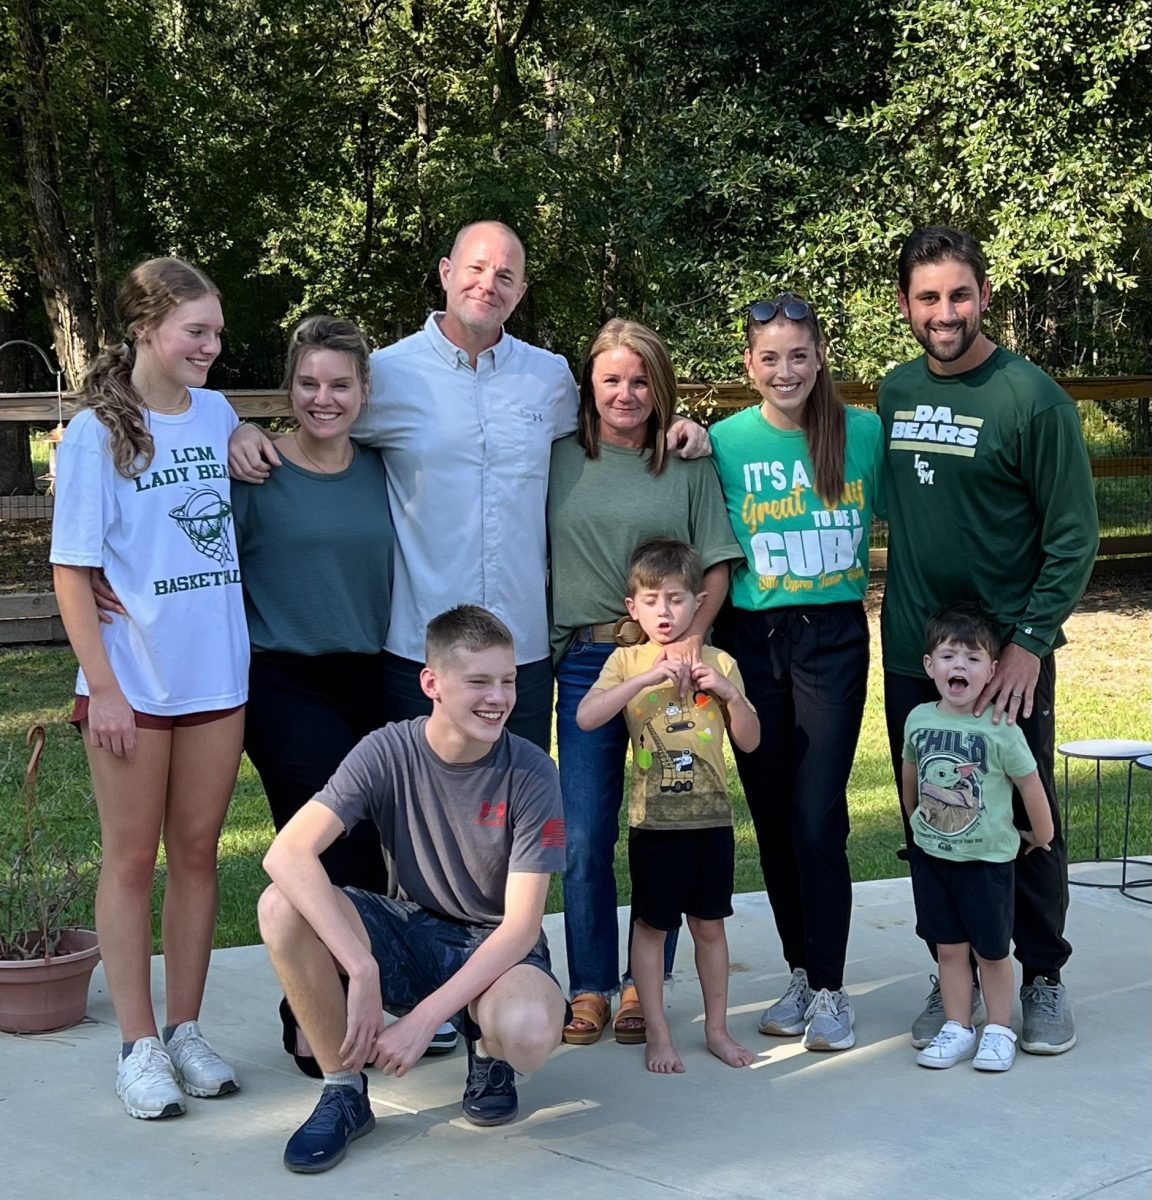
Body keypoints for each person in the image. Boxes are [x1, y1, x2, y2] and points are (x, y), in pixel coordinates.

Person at [227, 221, 709, 751]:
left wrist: (675, 424)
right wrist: (246, 431)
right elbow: (320, 424)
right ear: (446, 273)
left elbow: (612, 424)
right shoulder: (388, 374)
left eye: (506, 275)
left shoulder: (547, 378)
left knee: (513, 812)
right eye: (476, 268)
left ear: (520, 293)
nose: (489, 283)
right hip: (419, 648)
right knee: (415, 818)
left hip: (519, 652)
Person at [879, 226, 1097, 1056]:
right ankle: (955, 975)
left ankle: (1041, 977)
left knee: (1023, 820)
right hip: (914, 655)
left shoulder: (1030, 399)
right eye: (928, 297)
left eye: (959, 294)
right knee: (934, 815)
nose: (945, 312)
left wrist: (1029, 642)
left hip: (1006, 664)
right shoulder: (894, 393)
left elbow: (1073, 536)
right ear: (905, 305)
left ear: (984, 296)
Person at [257, 606, 567, 1174]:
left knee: (528, 1030)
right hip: (409, 931)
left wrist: (423, 1020)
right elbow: (286, 853)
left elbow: (521, 927)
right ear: (432, 683)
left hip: (497, 948)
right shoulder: (387, 751)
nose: (498, 698)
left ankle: (488, 1049)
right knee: (280, 906)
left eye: (508, 680)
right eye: (478, 681)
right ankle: (343, 1092)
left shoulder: (532, 771)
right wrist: (362, 968)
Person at [50, 258, 248, 1119]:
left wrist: (248, 439)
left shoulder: (217, 413)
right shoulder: (97, 430)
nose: (210, 346)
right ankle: (137, 1046)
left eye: (214, 331)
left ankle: (186, 1030)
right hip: (132, 682)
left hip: (217, 676)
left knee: (198, 856)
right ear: (143, 330)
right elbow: (71, 570)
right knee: (133, 862)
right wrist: (106, 686)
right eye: (193, 331)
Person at [548, 319, 741, 1046]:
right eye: (610, 380)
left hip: (675, 667)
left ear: (659, 389)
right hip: (590, 662)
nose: (624, 394)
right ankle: (591, 984)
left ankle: (642, 984)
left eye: (639, 381)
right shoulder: (558, 458)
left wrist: (690, 645)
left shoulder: (686, 462)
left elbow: (717, 564)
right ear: (588, 387)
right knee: (586, 833)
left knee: (664, 826)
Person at [710, 293, 884, 1052]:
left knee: (818, 819)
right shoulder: (720, 442)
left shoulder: (864, 433)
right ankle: (801, 973)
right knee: (776, 820)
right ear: (748, 365)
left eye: (799, 355)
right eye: (769, 357)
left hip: (834, 638)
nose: (785, 370)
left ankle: (834, 990)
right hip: (752, 642)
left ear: (820, 360)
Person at [577, 539, 760, 1073]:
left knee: (709, 926)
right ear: (632, 608)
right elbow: (587, 718)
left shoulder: (720, 659)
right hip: (652, 824)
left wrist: (727, 692)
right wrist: (646, 676)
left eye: (677, 599)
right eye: (652, 600)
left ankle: (717, 1029)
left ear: (698, 602)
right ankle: (657, 1034)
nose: (665, 611)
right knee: (651, 928)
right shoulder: (624, 659)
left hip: (711, 822)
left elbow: (750, 740)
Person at [903, 604, 1054, 1072]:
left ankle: (999, 1030)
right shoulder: (918, 719)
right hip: (934, 859)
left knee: (991, 953)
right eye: (948, 656)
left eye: (972, 658)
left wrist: (1042, 834)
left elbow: (1030, 783)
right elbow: (910, 771)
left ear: (992, 670)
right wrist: (913, 819)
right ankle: (957, 1026)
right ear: (930, 666)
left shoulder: (1001, 729)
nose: (959, 667)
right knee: (948, 949)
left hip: (987, 864)